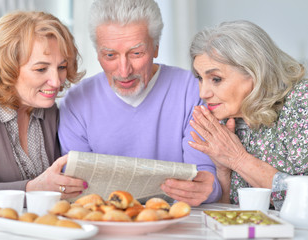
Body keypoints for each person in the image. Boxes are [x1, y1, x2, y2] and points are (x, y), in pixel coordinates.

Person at [58, 0, 221, 206]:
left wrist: (208, 188)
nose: (124, 70)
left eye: (136, 53)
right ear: (97, 54)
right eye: (110, 55)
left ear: (156, 48)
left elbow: (206, 176)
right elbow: (79, 189)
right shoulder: (76, 102)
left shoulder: (193, 89)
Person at [0, 11, 87, 217]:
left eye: (62, 67)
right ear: (9, 67)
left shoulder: (47, 109)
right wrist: (34, 187)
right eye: (41, 69)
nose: (56, 81)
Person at [188, 20, 308, 210]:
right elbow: (229, 212)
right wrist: (223, 170)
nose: (203, 93)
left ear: (254, 73)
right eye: (200, 78)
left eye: (216, 79)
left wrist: (238, 159)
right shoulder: (228, 120)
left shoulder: (302, 101)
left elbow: (304, 201)